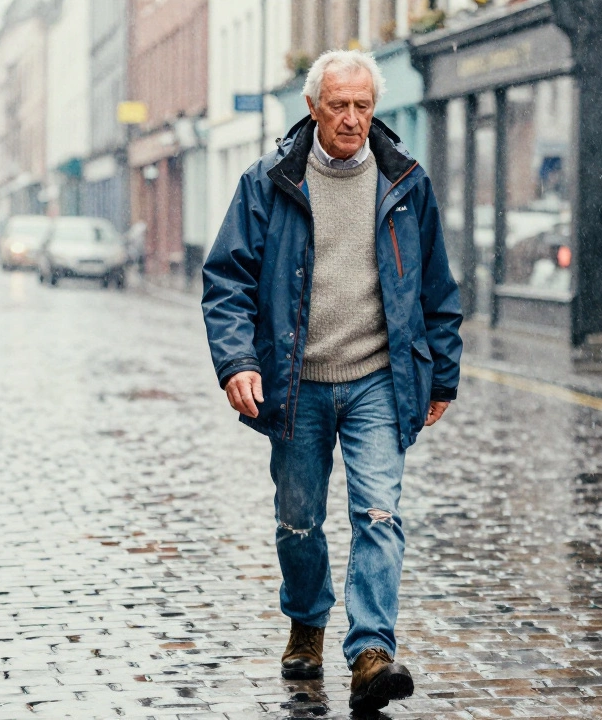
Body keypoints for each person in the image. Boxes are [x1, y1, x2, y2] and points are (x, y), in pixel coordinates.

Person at [200, 49, 462, 713]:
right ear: (312, 106)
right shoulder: (268, 182)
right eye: (340, 105)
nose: (352, 118)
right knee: (299, 523)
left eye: (363, 106)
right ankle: (306, 623)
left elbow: (436, 287)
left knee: (380, 512)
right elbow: (226, 280)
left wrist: (443, 377)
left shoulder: (406, 180)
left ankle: (371, 651)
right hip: (297, 383)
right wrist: (238, 362)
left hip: (380, 376)